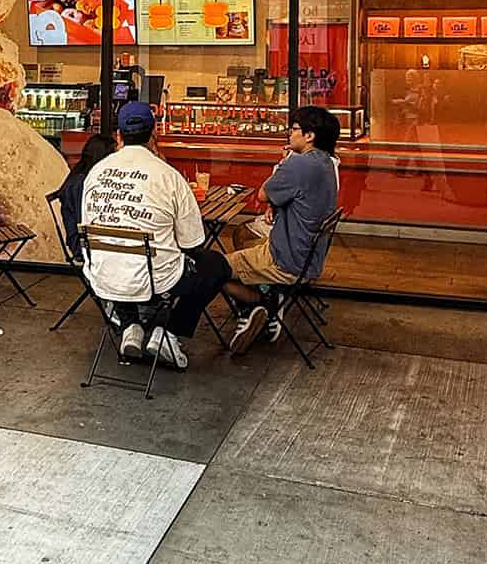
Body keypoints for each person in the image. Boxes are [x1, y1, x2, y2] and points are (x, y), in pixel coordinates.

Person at [80, 100, 230, 370]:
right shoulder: (168, 176)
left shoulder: (95, 173)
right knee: (215, 266)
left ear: (118, 135)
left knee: (121, 261)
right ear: (154, 133)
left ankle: (131, 326)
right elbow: (193, 242)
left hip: (103, 276)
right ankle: (168, 334)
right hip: (156, 280)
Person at [225, 104, 340, 355]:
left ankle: (260, 304)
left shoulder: (299, 164)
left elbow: (264, 193)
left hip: (285, 260)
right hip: (308, 257)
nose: (289, 133)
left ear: (309, 136)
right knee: (244, 241)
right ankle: (265, 299)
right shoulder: (327, 164)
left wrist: (286, 163)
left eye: (294, 129)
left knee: (210, 269)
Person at [57, 133, 115, 255]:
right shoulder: (82, 184)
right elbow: (84, 222)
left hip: (87, 240)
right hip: (84, 245)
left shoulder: (81, 175)